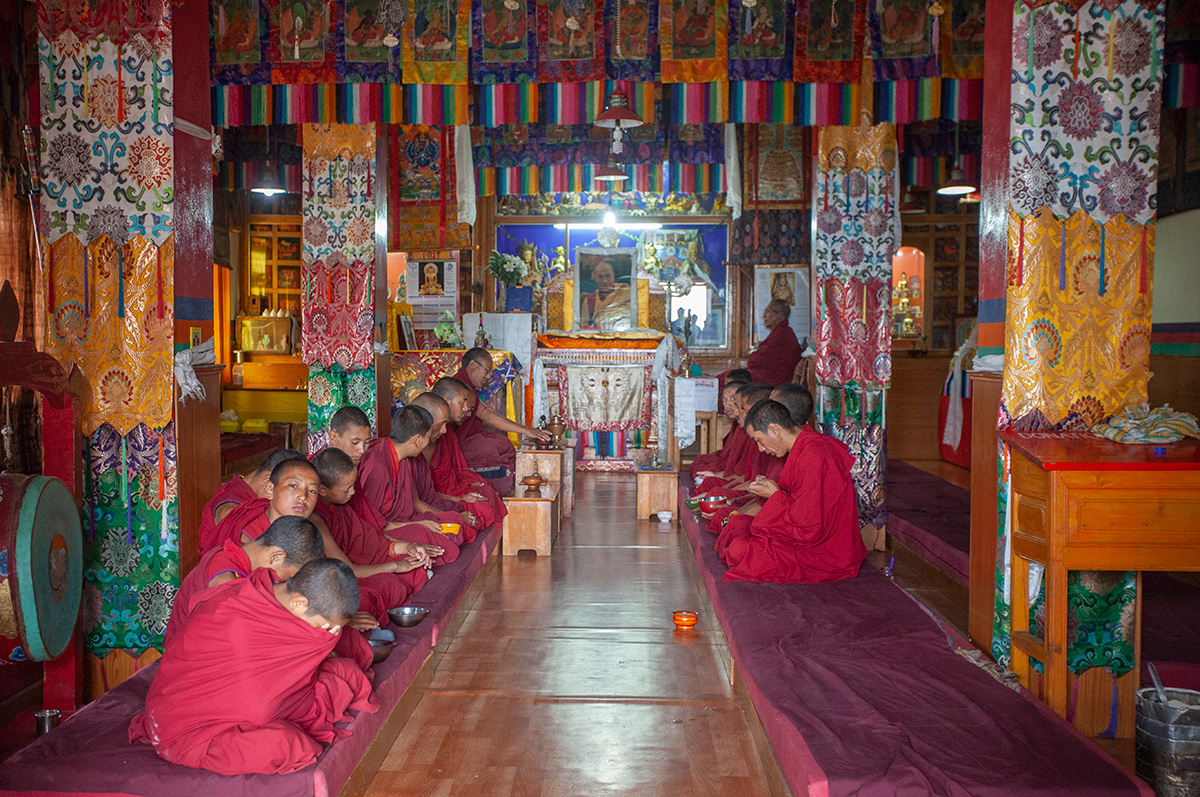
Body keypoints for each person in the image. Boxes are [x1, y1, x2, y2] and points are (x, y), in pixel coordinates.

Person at [130, 560, 377, 775]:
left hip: (268, 699)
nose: (328, 634)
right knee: (288, 746)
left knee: (348, 674)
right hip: (191, 727)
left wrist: (321, 643)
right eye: (323, 625)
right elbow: (259, 708)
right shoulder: (237, 612)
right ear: (299, 602)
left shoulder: (276, 598)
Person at [716, 400, 867, 585]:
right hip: (804, 532)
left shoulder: (815, 455)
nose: (761, 449)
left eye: (758, 440)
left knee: (739, 550)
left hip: (825, 551)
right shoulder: (803, 446)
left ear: (774, 429)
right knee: (737, 524)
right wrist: (773, 491)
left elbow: (809, 528)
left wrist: (774, 496)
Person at [165, 516, 325, 647]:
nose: (283, 582)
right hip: (187, 661)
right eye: (289, 577)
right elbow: (235, 639)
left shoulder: (238, 553)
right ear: (275, 557)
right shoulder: (225, 579)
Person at [313, 446, 459, 569]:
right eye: (347, 489)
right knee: (394, 583)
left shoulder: (341, 503)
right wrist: (395, 566)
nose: (353, 492)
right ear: (322, 490)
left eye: (366, 442)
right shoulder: (317, 517)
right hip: (349, 572)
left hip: (378, 544)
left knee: (422, 554)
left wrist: (409, 547)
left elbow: (370, 536)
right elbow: (349, 570)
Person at [452, 348, 552, 494]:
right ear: (473, 365)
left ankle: (504, 476)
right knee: (495, 448)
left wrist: (527, 430)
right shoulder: (457, 387)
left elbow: (486, 414)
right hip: (460, 444)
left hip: (470, 439)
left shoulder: (466, 387)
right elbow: (488, 416)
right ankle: (500, 478)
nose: (488, 377)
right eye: (487, 370)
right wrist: (527, 430)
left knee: (502, 444)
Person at [428, 377, 508, 529]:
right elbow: (425, 492)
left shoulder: (447, 431)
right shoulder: (428, 437)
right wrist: (459, 498)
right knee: (482, 509)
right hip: (441, 498)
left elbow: (457, 469)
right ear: (446, 401)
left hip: (451, 489)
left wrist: (468, 485)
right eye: (462, 403)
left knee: (486, 491)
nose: (466, 410)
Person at [198, 449, 307, 554]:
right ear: (268, 482)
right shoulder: (233, 513)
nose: (302, 497)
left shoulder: (242, 487)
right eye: (293, 486)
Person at [689, 378, 748, 478]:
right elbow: (727, 456)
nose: (727, 404)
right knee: (700, 462)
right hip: (731, 472)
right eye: (725, 400)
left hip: (737, 476)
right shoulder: (737, 424)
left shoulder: (747, 428)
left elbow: (742, 471)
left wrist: (716, 476)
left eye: (732, 399)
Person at [746, 298, 802, 386]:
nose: (764, 315)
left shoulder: (783, 335)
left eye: (768, 311)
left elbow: (757, 360)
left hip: (776, 382)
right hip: (767, 376)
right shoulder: (779, 332)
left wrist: (753, 356)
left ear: (780, 315)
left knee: (731, 379)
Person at [582, 260, 633, 329]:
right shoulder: (589, 299)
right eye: (600, 276)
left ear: (613, 275)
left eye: (608, 276)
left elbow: (632, 316)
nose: (605, 281)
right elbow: (583, 324)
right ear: (594, 277)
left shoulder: (625, 291)